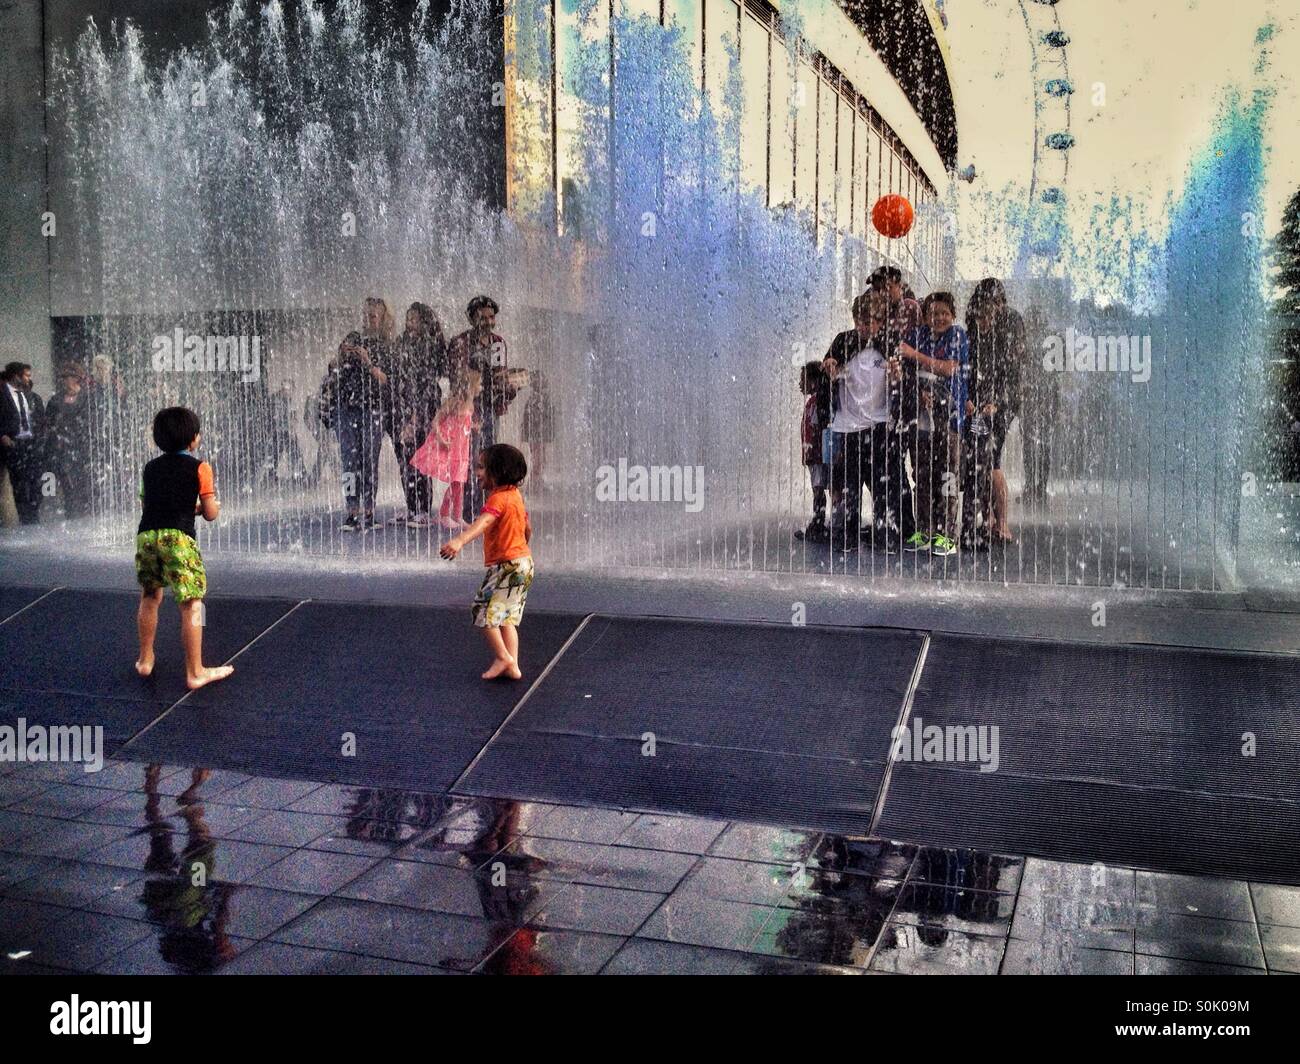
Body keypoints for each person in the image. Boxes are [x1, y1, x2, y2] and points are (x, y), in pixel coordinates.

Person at [134, 406, 233, 690]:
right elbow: (211, 513)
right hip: (178, 540)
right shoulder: (200, 467)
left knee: (150, 595)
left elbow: (149, 505)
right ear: (193, 439)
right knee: (192, 603)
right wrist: (204, 508)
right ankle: (195, 671)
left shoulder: (150, 468)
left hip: (147, 536)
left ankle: (144, 659)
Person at [822, 290, 915, 554]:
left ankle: (884, 533)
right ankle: (847, 534)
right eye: (860, 320)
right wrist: (829, 365)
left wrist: (897, 377)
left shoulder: (889, 343)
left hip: (879, 425)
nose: (865, 326)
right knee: (850, 485)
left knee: (881, 484)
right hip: (848, 425)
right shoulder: (844, 340)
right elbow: (829, 366)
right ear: (854, 319)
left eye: (871, 321)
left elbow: (902, 383)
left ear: (881, 321)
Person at [439, 443, 533, 682]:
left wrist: (459, 541)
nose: (476, 472)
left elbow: (483, 523)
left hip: (507, 565)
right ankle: (513, 666)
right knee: (507, 617)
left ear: (497, 471)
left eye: (481, 467)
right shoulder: (515, 496)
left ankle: (503, 657)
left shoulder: (499, 499)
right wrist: (521, 547)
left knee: (481, 611)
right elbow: (527, 528)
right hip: (524, 563)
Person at [899, 293, 969, 557]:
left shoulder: (958, 335)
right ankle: (925, 531)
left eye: (944, 313)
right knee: (923, 477)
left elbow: (949, 368)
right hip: (922, 421)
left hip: (950, 420)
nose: (938, 318)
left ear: (952, 314)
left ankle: (947, 535)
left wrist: (915, 356)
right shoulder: (918, 334)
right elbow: (905, 369)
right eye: (933, 313)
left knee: (947, 478)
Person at [961, 279, 1025, 547]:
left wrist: (997, 404)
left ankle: (1002, 523)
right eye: (984, 309)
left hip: (1000, 408)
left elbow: (1011, 376)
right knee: (979, 457)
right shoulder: (974, 335)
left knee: (993, 461)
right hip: (978, 409)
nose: (989, 314)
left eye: (994, 306)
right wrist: (969, 400)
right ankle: (987, 519)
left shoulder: (1010, 326)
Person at [447, 296, 519, 523]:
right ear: (472, 318)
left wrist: (509, 385)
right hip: (469, 409)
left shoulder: (498, 343)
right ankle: (470, 510)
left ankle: (488, 506)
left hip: (490, 407)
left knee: (489, 459)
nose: (488, 321)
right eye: (482, 317)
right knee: (470, 459)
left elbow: (500, 374)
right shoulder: (461, 343)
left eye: (491, 317)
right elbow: (457, 379)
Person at [328, 300, 392, 531]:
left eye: (373, 316)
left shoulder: (386, 346)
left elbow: (386, 380)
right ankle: (351, 512)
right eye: (366, 315)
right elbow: (334, 367)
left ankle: (369, 512)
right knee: (349, 460)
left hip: (372, 409)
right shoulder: (353, 337)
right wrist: (341, 357)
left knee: (369, 461)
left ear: (382, 318)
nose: (368, 319)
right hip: (347, 408)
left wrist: (367, 361)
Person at [384, 302, 448, 525]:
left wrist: (415, 417)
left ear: (423, 322)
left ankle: (423, 509)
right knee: (405, 460)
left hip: (423, 408)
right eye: (407, 318)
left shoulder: (428, 346)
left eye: (413, 319)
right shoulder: (403, 342)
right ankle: (411, 507)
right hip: (403, 408)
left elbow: (425, 385)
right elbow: (399, 378)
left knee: (420, 459)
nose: (409, 323)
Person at [410, 371, 481, 531]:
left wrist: (474, 427)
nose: (481, 387)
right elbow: (436, 421)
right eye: (479, 384)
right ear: (471, 386)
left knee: (460, 483)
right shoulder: (455, 401)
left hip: (462, 448)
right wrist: (441, 439)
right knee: (455, 482)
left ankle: (457, 516)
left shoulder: (470, 403)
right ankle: (443, 514)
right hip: (451, 447)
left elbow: (463, 423)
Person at [1020, 304, 1058, 506]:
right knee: (1036, 445)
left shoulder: (1043, 340)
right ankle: (1035, 486)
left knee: (1038, 445)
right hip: (1037, 399)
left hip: (1042, 398)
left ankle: (1037, 486)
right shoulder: (1030, 340)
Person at [44, 367, 93, 519]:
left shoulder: (87, 398)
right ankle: (71, 513)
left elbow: (90, 421)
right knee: (67, 481)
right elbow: (48, 420)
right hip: (62, 446)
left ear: (76, 378)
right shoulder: (56, 399)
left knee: (82, 481)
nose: (66, 381)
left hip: (81, 445)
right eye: (64, 378)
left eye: (69, 377)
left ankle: (84, 512)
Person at [0, 362, 45, 524]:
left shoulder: (28, 395)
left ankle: (33, 514)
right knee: (19, 483)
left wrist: (39, 437)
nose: (28, 379)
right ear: (16, 376)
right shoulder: (3, 394)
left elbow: (38, 418)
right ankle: (26, 518)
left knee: (36, 481)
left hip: (31, 444)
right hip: (14, 443)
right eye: (26, 376)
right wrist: (2, 435)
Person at [793, 360, 832, 543]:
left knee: (818, 489)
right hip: (813, 456)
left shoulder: (818, 401)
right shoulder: (812, 402)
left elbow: (819, 428)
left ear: (813, 381)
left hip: (817, 455)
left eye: (803, 380)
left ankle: (818, 524)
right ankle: (819, 524)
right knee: (818, 488)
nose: (800, 384)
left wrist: (817, 453)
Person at [521, 369, 556, 490]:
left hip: (538, 435)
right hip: (537, 435)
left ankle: (536, 480)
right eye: (542, 379)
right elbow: (533, 419)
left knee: (540, 458)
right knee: (538, 458)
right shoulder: (536, 399)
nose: (545, 382)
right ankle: (534, 482)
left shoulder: (539, 398)